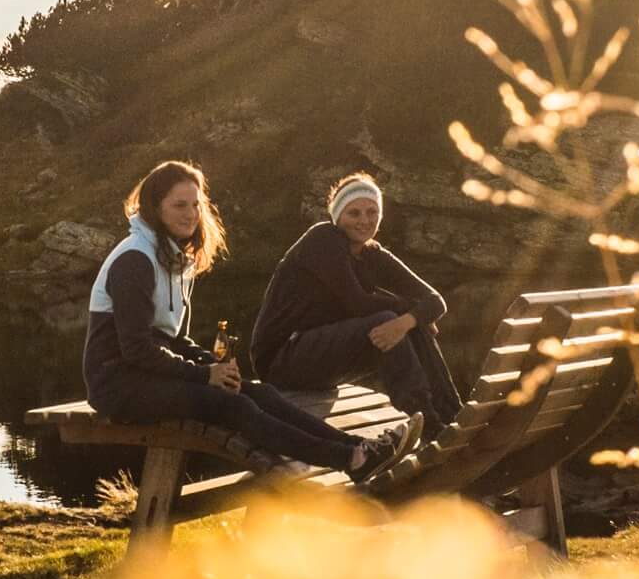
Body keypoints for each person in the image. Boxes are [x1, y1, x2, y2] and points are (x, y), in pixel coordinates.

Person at [83, 160, 420, 483]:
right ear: (156, 209)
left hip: (147, 374)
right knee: (232, 405)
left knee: (260, 392)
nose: (191, 214)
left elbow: (172, 339)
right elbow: (136, 348)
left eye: (196, 205)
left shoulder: (172, 257)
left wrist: (219, 365)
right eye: (179, 205)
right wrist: (205, 374)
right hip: (118, 384)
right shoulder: (135, 261)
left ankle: (357, 449)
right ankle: (350, 460)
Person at [253, 173, 465, 431]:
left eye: (372, 212)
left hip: (321, 358)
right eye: (354, 213)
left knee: (406, 324)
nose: (364, 220)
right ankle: (428, 422)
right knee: (391, 321)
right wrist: (412, 314)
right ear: (337, 216)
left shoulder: (373, 254)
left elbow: (435, 301)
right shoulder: (322, 240)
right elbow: (358, 303)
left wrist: (412, 320)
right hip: (282, 359)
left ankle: (453, 415)